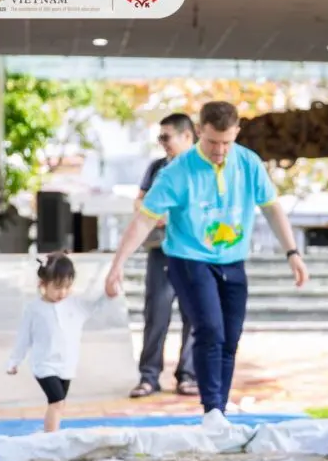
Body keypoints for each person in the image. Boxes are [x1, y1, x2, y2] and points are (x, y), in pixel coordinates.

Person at [104, 101, 309, 417]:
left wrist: (292, 253)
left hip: (233, 260)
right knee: (210, 330)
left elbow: (271, 207)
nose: (220, 150)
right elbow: (144, 219)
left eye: (227, 142)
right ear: (200, 131)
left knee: (230, 337)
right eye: (213, 142)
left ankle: (219, 409)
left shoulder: (248, 163)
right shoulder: (177, 171)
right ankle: (212, 409)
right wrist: (117, 264)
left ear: (237, 132)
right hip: (189, 259)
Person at [6, 253, 115, 432]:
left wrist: (108, 294)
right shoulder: (34, 310)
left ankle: (50, 432)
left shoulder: (75, 305)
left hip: (66, 365)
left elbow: (96, 304)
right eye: (57, 287)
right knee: (56, 401)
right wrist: (14, 361)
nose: (62, 293)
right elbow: (24, 338)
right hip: (44, 365)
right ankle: (51, 439)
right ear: (43, 284)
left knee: (59, 405)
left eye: (67, 287)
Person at [130, 113, 198, 399]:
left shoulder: (201, 167)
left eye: (166, 137)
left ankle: (189, 375)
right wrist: (152, 213)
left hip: (194, 253)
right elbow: (140, 200)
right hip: (161, 251)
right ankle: (149, 376)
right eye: (160, 137)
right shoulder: (157, 167)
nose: (162, 143)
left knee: (194, 316)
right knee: (156, 314)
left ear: (187, 136)